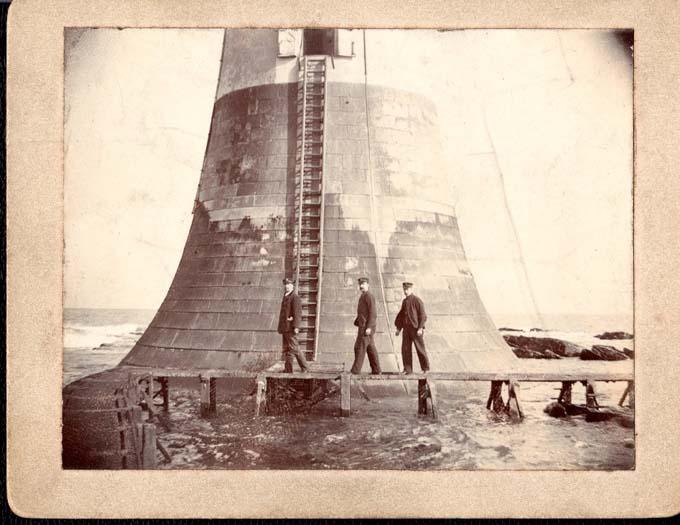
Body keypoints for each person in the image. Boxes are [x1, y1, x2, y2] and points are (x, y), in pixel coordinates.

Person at [394, 281, 430, 374]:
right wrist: (398, 328)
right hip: (406, 329)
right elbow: (401, 315)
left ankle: (425, 369)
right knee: (405, 349)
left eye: (407, 289)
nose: (405, 291)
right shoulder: (404, 302)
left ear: (411, 289)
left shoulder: (417, 300)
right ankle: (408, 369)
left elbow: (423, 315)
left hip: (415, 329)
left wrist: (420, 328)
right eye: (404, 289)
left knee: (420, 349)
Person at [350, 277, 381, 375]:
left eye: (363, 284)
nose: (361, 286)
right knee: (370, 347)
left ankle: (355, 371)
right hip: (362, 326)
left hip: (366, 327)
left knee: (359, 347)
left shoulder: (369, 296)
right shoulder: (363, 296)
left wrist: (369, 327)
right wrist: (357, 321)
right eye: (360, 284)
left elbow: (373, 313)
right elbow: (363, 312)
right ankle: (376, 370)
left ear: (368, 285)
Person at [277, 277, 309, 373]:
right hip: (284, 327)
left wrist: (296, 326)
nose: (287, 286)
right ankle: (288, 369)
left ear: (292, 286)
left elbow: (297, 313)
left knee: (295, 347)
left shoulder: (295, 297)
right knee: (287, 349)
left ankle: (305, 367)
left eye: (289, 285)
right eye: (286, 285)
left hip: (291, 327)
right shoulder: (285, 296)